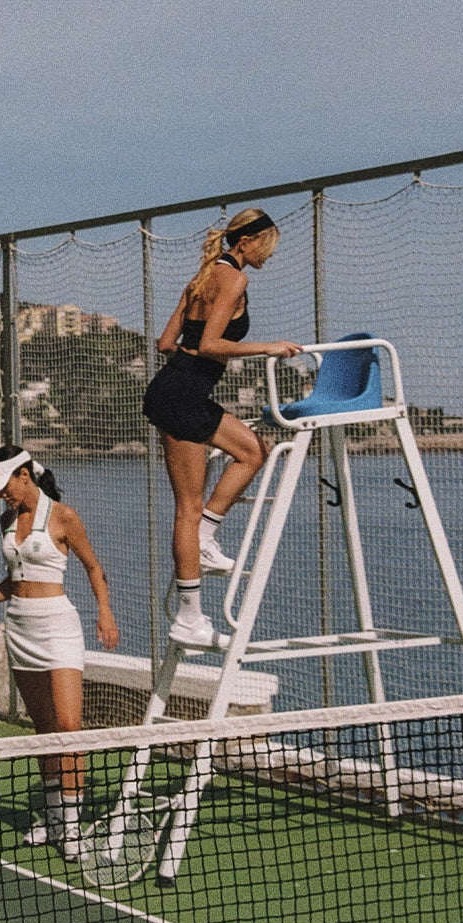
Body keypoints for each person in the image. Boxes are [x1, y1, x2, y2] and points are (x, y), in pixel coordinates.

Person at [142, 206, 301, 649]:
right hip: (181, 397)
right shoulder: (234, 279)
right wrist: (269, 346)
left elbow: (165, 343)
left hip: (178, 389)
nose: (269, 256)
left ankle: (207, 536)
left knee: (253, 451)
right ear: (246, 243)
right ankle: (189, 618)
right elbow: (212, 343)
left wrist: (196, 356)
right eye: (266, 246)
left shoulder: (204, 274)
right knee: (187, 510)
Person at [0, 446, 119, 859]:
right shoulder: (7, 519)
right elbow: (17, 580)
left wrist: (105, 614)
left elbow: (93, 567)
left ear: (25, 475)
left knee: (69, 727)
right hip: (20, 627)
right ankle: (51, 819)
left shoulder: (64, 517)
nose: (1, 496)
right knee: (44, 731)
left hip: (58, 628)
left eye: (5, 486)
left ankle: (71, 827)